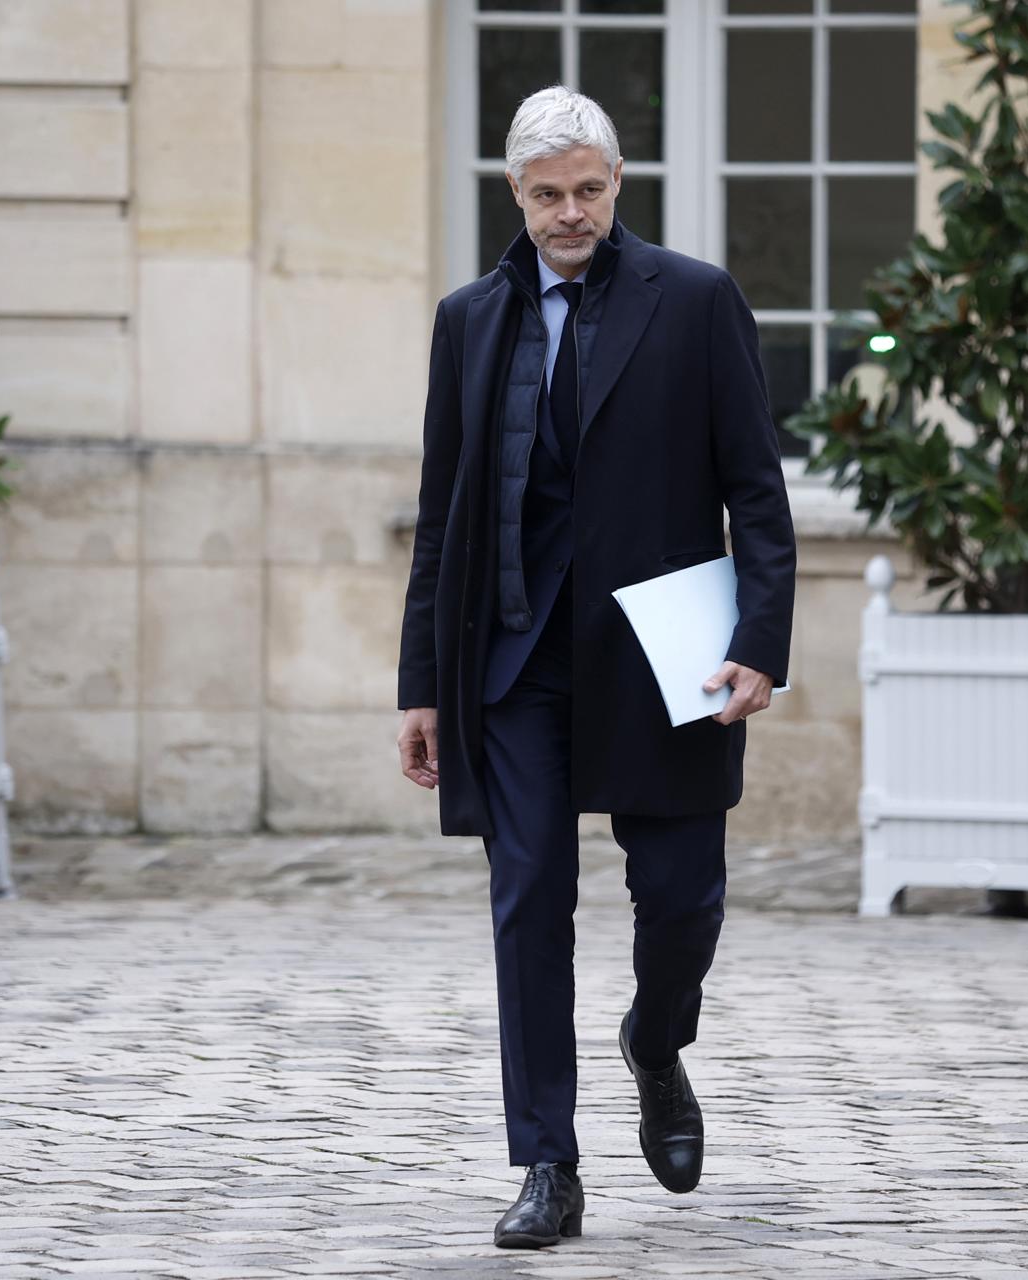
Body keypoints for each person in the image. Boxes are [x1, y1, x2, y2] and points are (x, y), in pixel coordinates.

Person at [394, 85, 794, 1249]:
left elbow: (757, 491)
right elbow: (441, 516)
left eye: (589, 190)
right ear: (514, 194)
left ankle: (658, 1038)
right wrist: (421, 681)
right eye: (546, 193)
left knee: (680, 899)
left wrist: (758, 640)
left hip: (664, 653)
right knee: (528, 898)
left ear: (618, 185)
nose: (570, 212)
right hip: (513, 660)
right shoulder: (469, 318)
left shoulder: (697, 301)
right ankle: (548, 1163)